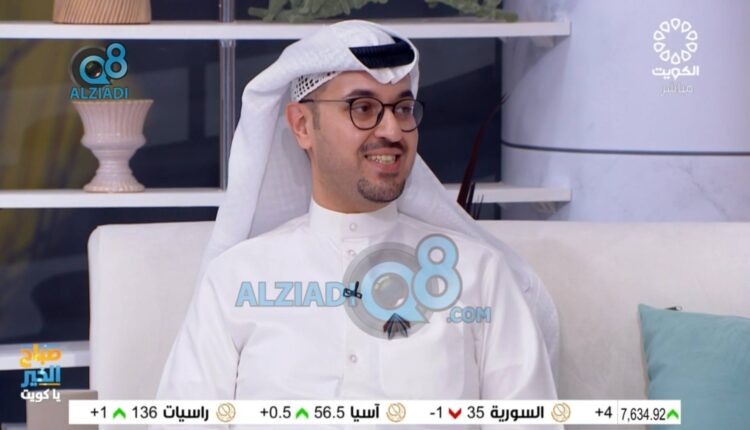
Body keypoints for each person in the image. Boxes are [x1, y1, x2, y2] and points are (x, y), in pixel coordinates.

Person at [155, 19, 560, 429]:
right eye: (363, 108)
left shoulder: (478, 275)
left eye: (403, 109)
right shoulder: (236, 280)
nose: (393, 131)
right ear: (302, 126)